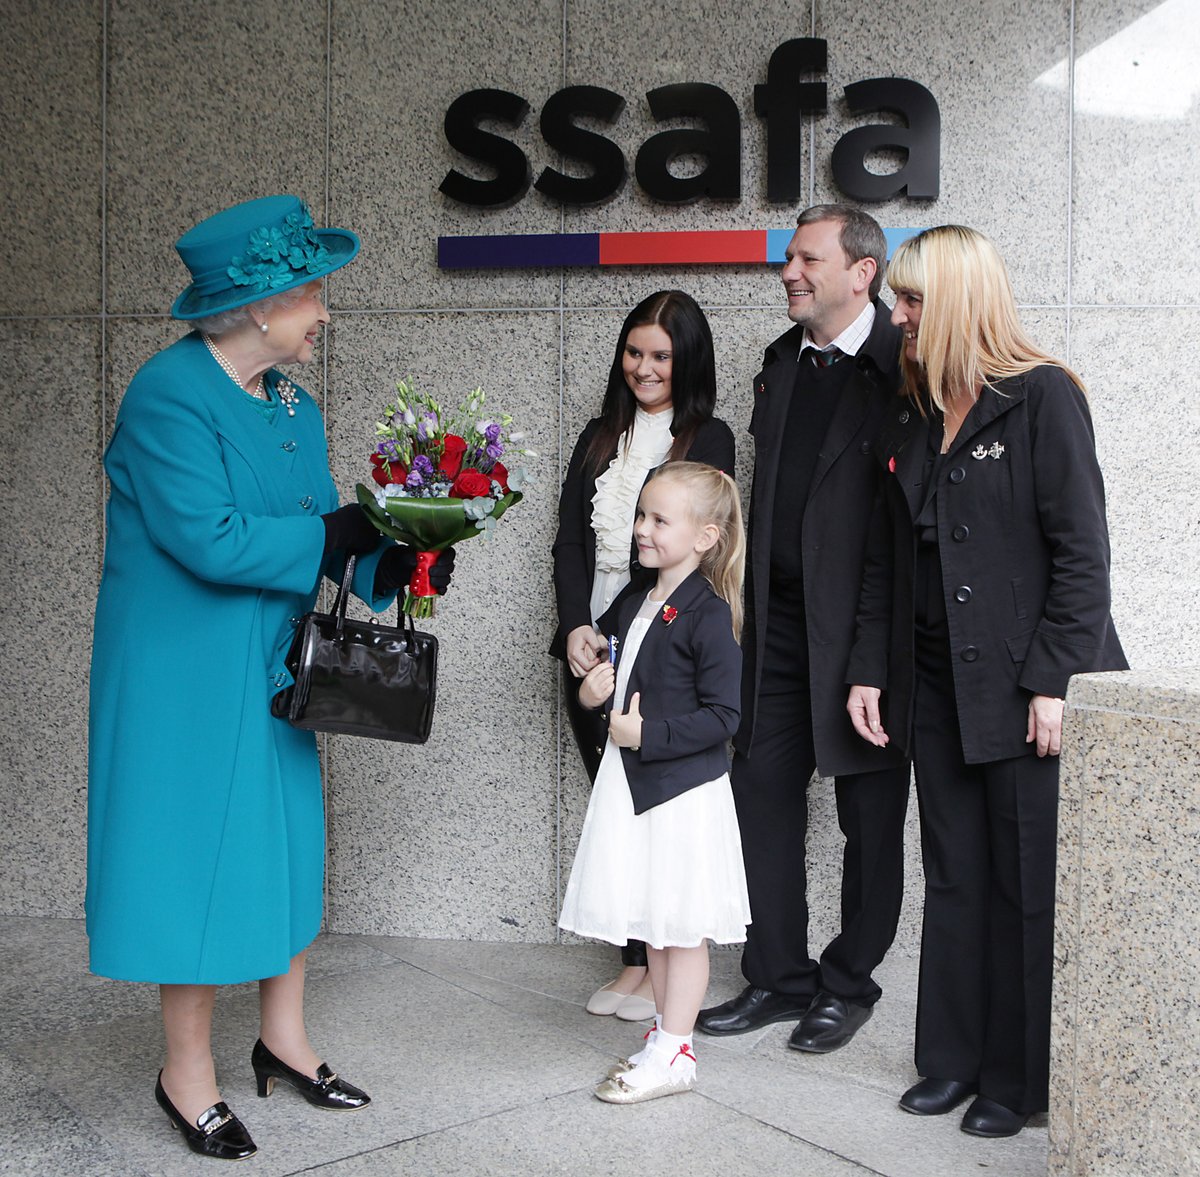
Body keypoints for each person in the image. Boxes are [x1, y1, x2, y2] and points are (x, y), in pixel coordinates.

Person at [86, 195, 453, 1161]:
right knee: (198, 861)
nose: (322, 310)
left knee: (286, 846)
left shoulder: (293, 402)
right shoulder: (167, 393)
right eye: (311, 291)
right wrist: (333, 535)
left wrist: (402, 556)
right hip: (185, 671)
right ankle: (185, 1072)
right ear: (258, 305)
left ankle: (283, 1040)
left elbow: (323, 528)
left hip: (273, 659)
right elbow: (205, 538)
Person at [846, 225, 1127, 1137]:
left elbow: (1082, 556)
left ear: (960, 301)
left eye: (913, 301)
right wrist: (869, 672)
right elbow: (888, 560)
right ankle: (951, 1061)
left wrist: (1056, 680)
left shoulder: (1044, 397)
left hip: (1022, 686)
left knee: (1023, 884)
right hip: (933, 683)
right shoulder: (914, 412)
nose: (898, 317)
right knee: (955, 873)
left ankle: (1018, 1080)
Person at [697, 205, 910, 1053]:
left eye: (806, 258)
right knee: (762, 798)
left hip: (867, 636)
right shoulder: (781, 361)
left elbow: (901, 530)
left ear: (862, 272)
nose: (788, 271)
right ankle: (778, 975)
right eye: (788, 257)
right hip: (778, 629)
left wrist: (871, 653)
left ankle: (849, 981)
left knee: (870, 815)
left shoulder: (904, 362)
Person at [551, 290, 736, 1021]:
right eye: (635, 351)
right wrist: (574, 627)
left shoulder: (707, 436)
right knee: (614, 805)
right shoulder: (600, 435)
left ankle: (664, 974)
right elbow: (569, 537)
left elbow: (679, 556)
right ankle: (634, 961)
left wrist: (620, 628)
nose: (645, 366)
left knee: (654, 806)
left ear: (686, 360)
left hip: (652, 648)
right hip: (589, 645)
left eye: (661, 354)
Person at [559, 461, 749, 1103]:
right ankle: (668, 1039)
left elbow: (725, 717)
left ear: (705, 537)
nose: (641, 528)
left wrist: (649, 738)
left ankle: (675, 1047)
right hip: (634, 782)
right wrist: (590, 693)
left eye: (658, 519)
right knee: (656, 918)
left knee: (681, 925)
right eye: (640, 514)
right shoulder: (636, 600)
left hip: (681, 791)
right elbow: (607, 672)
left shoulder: (709, 613)